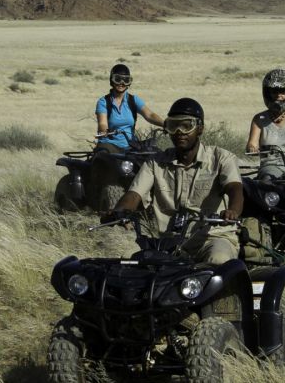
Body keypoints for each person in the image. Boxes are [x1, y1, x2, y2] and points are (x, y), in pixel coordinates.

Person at [103, 98, 244, 266]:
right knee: (131, 265)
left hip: (213, 237)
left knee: (219, 260)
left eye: (186, 126)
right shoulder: (155, 162)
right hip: (169, 243)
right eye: (173, 125)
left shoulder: (221, 158)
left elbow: (234, 188)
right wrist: (119, 211)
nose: (179, 132)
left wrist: (232, 211)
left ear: (200, 128)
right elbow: (134, 194)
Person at [94, 64, 165, 153]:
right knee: (104, 153)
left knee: (163, 144)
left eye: (126, 80)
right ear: (112, 80)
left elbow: (150, 115)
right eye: (117, 79)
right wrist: (104, 131)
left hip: (131, 145)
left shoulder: (133, 100)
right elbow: (102, 123)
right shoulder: (103, 102)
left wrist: (166, 124)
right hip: (110, 144)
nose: (122, 83)